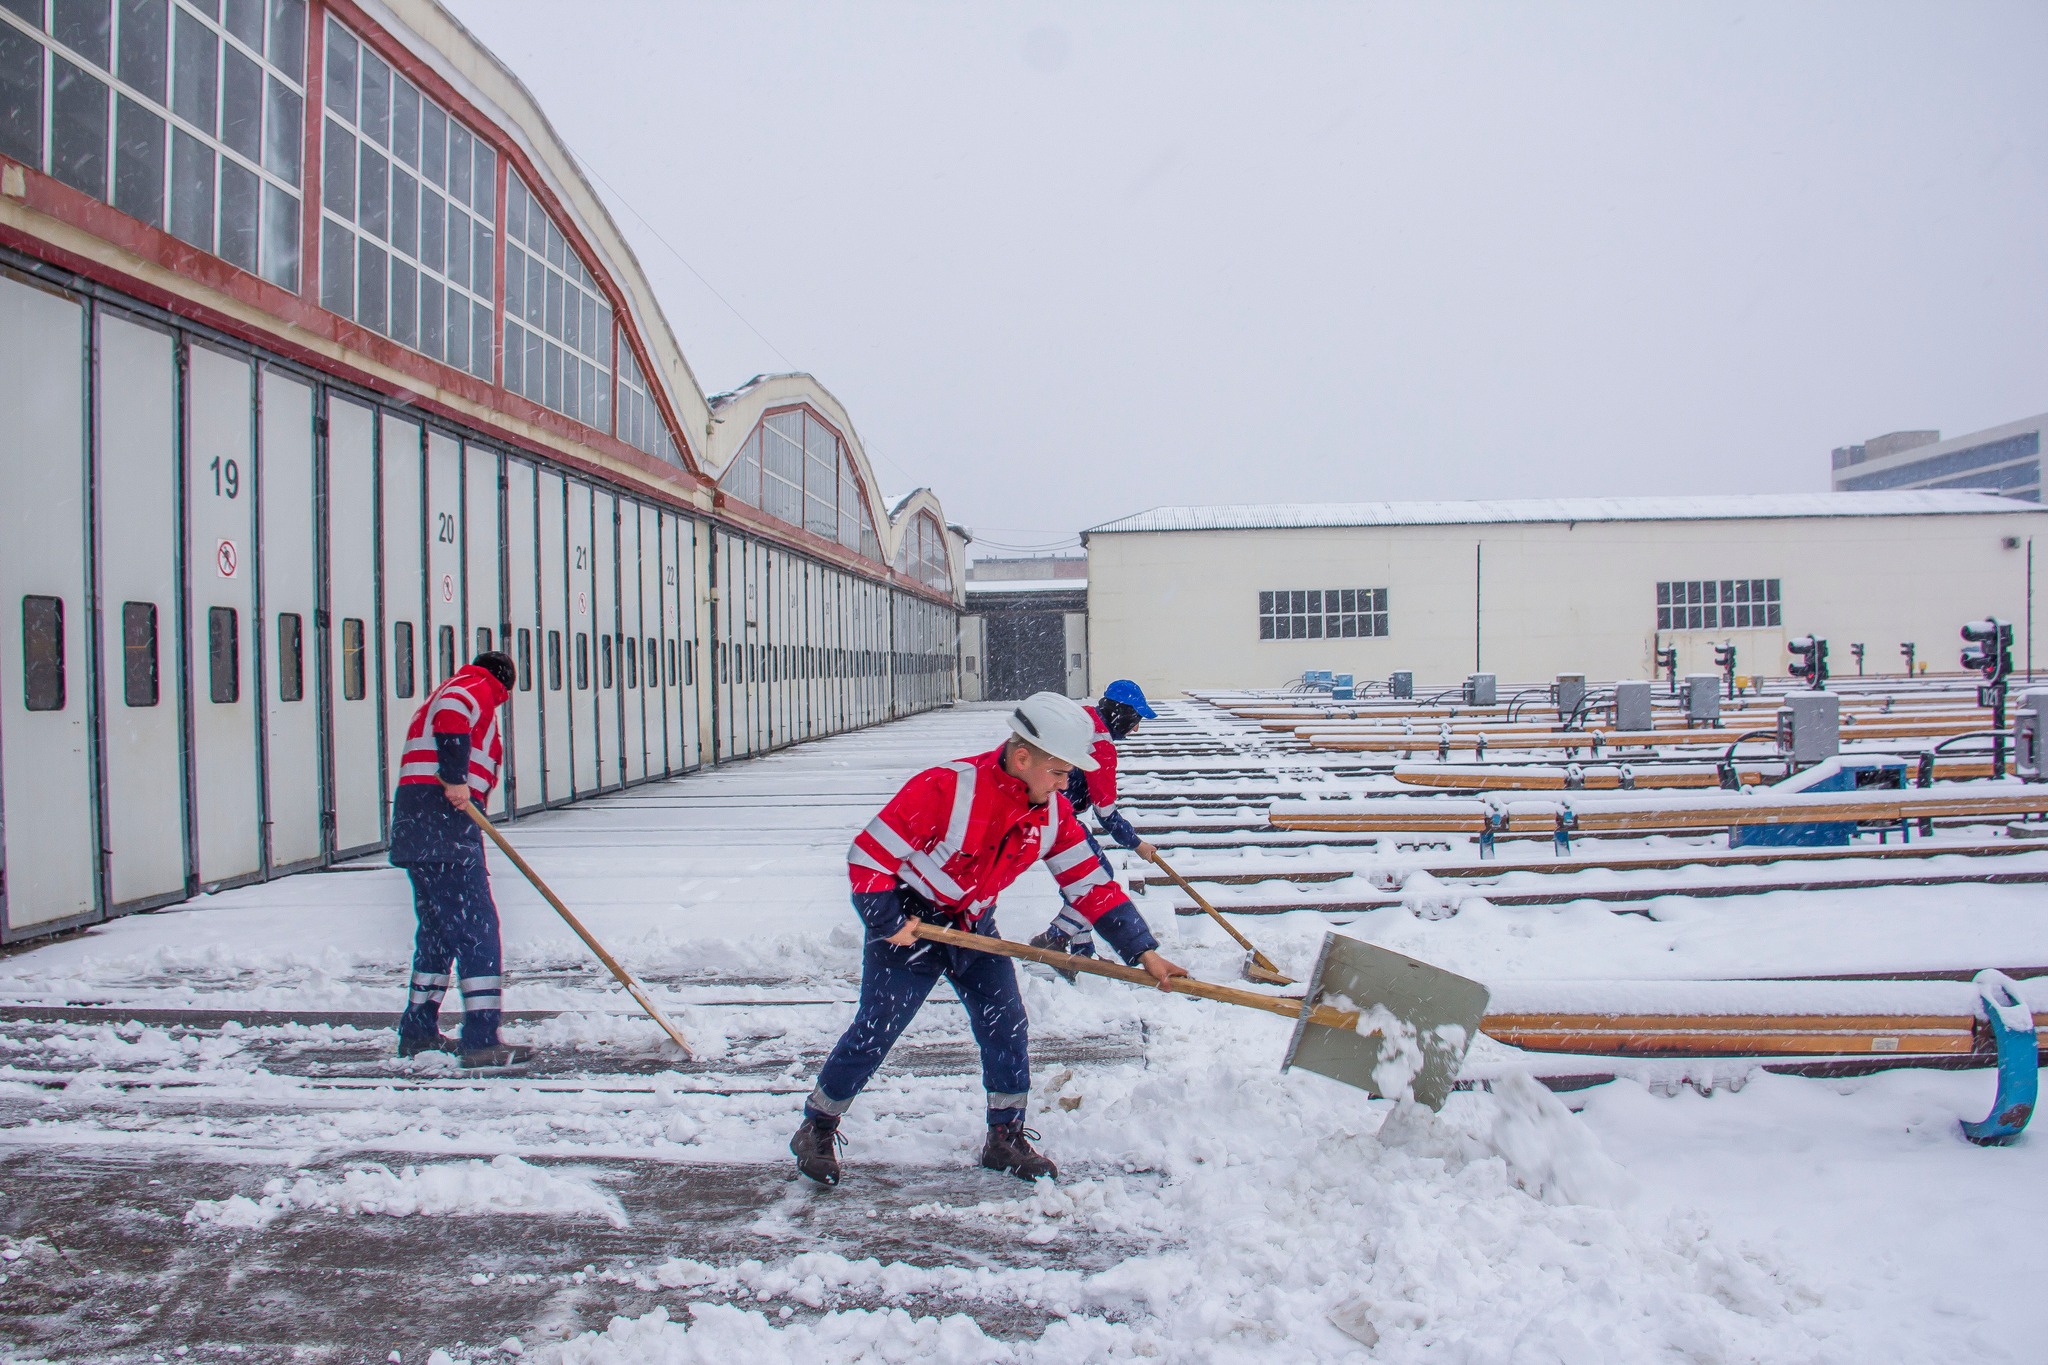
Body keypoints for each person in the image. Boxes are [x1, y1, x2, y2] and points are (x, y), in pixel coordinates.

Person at [791, 691, 1189, 1186]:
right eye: (1060, 772)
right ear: (1023, 758)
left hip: (975, 927)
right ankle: (819, 1124)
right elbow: (869, 858)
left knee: (1006, 1024)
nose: (1068, 784)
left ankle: (1005, 1137)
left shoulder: (1053, 813)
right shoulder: (946, 789)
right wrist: (887, 919)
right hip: (910, 924)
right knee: (878, 1026)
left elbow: (1090, 884)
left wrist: (1143, 951)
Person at [389, 649, 531, 1069]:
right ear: (503, 681)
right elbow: (453, 713)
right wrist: (454, 780)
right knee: (477, 930)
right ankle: (482, 1039)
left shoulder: (447, 691)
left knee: (437, 934)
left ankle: (417, 1032)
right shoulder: (475, 687)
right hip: (443, 824)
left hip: (421, 825)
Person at [1029, 679, 1159, 967]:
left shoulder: (1083, 716)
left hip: (1037, 806)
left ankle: (1082, 951)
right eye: (1135, 719)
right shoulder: (1101, 745)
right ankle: (1056, 936)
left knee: (1085, 878)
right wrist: (1137, 844)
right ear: (1122, 713)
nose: (1135, 728)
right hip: (1051, 815)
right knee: (1098, 875)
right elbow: (1106, 812)